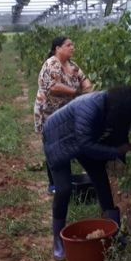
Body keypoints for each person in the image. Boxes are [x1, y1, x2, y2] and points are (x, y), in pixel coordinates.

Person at [43, 85, 131, 261]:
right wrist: (117, 152)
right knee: (64, 189)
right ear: (123, 109)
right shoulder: (90, 107)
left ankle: (113, 232)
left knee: (100, 179)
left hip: (83, 140)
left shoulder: (114, 110)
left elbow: (118, 140)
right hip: (57, 139)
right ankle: (57, 241)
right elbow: (87, 146)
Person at [34, 36, 93, 193]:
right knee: (53, 146)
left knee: (66, 144)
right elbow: (53, 87)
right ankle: (53, 184)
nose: (72, 47)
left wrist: (90, 92)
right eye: (68, 45)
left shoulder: (72, 66)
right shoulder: (51, 64)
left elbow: (85, 81)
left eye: (72, 45)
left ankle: (65, 181)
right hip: (48, 112)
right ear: (57, 49)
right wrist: (76, 93)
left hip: (66, 113)